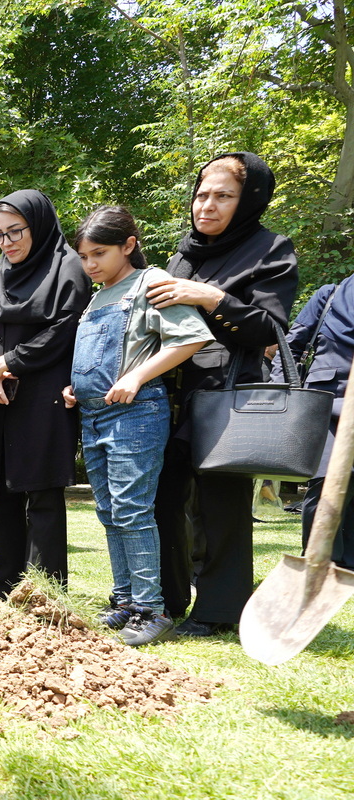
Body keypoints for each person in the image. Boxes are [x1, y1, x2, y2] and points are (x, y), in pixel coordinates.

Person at [149, 152, 298, 636]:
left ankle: (218, 608)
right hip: (169, 391)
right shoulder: (184, 254)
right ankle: (167, 599)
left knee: (220, 505)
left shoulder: (271, 249)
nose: (207, 206)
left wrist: (211, 298)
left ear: (248, 200)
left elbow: (269, 329)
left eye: (223, 196)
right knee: (164, 499)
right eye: (201, 195)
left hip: (227, 392)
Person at [61, 206, 212, 646]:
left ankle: (152, 609)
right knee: (109, 511)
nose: (90, 265)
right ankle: (125, 600)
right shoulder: (97, 297)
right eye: (84, 256)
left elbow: (191, 337)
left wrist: (137, 376)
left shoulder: (151, 282)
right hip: (93, 415)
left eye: (99, 254)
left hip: (136, 414)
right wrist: (77, 387)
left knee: (132, 509)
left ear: (128, 245)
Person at [0, 190, 92, 601]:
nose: (6, 243)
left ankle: (44, 596)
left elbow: (63, 330)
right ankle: (2, 591)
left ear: (38, 226)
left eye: (15, 232)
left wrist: (8, 362)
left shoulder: (68, 268)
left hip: (44, 396)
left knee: (42, 494)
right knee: (2, 495)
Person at [276, 276, 353, 569]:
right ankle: (320, 563)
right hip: (326, 405)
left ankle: (347, 568)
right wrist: (283, 397)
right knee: (325, 483)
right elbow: (290, 348)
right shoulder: (330, 295)